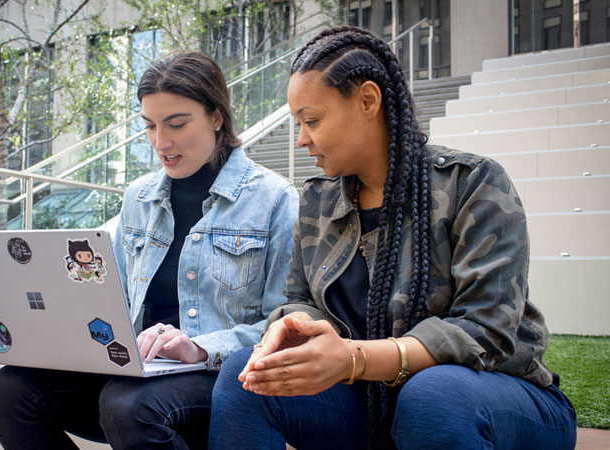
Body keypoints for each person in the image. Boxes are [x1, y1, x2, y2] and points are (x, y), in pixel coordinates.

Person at [209, 26, 577, 450]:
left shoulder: (473, 184)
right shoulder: (316, 200)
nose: (301, 139)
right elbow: (302, 301)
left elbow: (485, 331)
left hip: (496, 397)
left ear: (368, 101)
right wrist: (292, 331)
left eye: (311, 120)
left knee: (431, 396)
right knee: (248, 377)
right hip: (374, 402)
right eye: (298, 123)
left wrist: (352, 359)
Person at [0, 50, 299, 450]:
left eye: (177, 124)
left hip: (218, 377)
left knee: (127, 406)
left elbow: (282, 326)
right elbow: (108, 300)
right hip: (138, 370)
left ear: (217, 116)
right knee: (8, 390)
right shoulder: (139, 197)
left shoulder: (274, 200)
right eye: (149, 126)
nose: (160, 142)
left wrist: (199, 347)